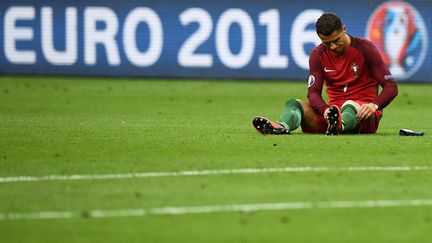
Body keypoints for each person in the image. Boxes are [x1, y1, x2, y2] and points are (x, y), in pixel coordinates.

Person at [252, 12, 398, 135]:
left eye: (336, 40)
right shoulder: (318, 55)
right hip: (332, 117)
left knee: (350, 105)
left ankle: (340, 125)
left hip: (364, 115)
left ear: (344, 29)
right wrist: (325, 110)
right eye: (327, 43)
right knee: (295, 104)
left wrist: (374, 105)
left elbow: (391, 87)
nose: (333, 47)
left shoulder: (366, 48)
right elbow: (313, 93)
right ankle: (282, 127)